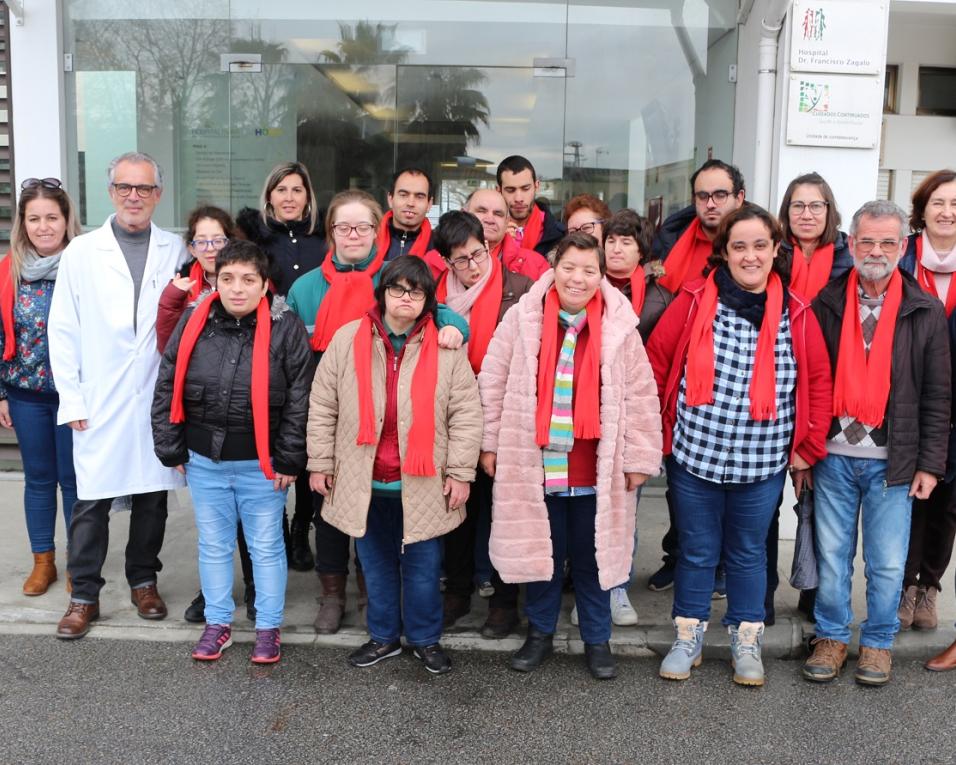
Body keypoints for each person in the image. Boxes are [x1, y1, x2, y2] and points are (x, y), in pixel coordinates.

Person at [646, 204, 832, 687]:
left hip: (763, 461)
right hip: (694, 456)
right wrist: (661, 438)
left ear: (776, 250)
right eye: (739, 246)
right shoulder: (691, 300)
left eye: (760, 245)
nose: (750, 256)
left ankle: (745, 642)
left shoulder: (797, 313)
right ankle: (687, 638)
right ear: (723, 253)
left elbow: (816, 381)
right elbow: (656, 364)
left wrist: (806, 447)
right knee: (697, 551)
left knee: (749, 553)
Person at [478, 232, 662, 680]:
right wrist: (489, 443)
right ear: (553, 268)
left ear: (601, 276)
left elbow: (641, 395)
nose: (577, 278)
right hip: (535, 461)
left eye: (589, 270)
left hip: (596, 467)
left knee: (593, 558)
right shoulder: (521, 319)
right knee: (543, 554)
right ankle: (539, 633)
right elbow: (493, 380)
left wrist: (640, 457)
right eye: (569, 267)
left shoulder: (620, 326)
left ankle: (597, 640)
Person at [287, 189, 468, 635]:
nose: (352, 235)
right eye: (343, 227)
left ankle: (402, 624)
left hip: (410, 453)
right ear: (330, 232)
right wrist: (317, 455)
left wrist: (454, 331)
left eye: (363, 227)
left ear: (377, 231)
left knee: (407, 556)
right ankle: (350, 609)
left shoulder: (393, 280)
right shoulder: (308, 289)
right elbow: (309, 381)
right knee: (343, 528)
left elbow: (442, 317)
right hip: (344, 434)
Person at [307, 256, 483, 675]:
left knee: (423, 570)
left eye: (416, 291)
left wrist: (460, 473)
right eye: (397, 289)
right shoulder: (348, 339)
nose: (406, 298)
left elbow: (466, 414)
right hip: (363, 479)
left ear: (427, 301)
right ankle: (383, 637)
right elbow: (322, 406)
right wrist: (319, 461)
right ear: (382, 292)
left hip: (422, 482)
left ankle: (425, 639)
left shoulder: (445, 345)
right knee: (376, 566)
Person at [802, 200, 950, 687]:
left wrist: (930, 463)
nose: (877, 250)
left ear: (902, 247)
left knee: (887, 561)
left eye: (888, 242)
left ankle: (879, 642)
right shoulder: (827, 303)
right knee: (833, 554)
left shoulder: (923, 310)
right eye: (867, 240)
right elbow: (807, 382)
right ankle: (831, 637)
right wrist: (803, 450)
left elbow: (936, 394)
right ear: (851, 243)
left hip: (895, 461)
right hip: (833, 456)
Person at [152, 239, 312, 664]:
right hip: (205, 460)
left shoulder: (286, 327)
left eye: (248, 279)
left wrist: (291, 457)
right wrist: (171, 447)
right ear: (214, 281)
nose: (237, 288)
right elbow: (168, 382)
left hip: (263, 464)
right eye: (227, 279)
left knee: (265, 546)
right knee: (214, 545)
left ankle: (267, 629)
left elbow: (300, 396)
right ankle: (218, 624)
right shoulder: (194, 321)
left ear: (265, 286)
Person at [48, 151, 187, 639]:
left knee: (152, 496)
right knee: (92, 500)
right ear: (110, 193)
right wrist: (73, 398)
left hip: (154, 393)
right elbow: (61, 330)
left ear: (158, 194)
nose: (134, 196)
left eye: (144, 188)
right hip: (99, 396)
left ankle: (143, 581)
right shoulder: (82, 253)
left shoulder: (176, 250)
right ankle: (83, 595)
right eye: (125, 187)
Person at [431, 210, 533, 638]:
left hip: (504, 417)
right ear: (445, 262)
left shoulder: (520, 291)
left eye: (479, 253)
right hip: (448, 419)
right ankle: (456, 591)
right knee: (456, 506)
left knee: (502, 510)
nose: (473, 266)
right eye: (461, 260)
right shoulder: (429, 294)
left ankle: (505, 602)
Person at [647, 158, 746, 593]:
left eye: (720, 195)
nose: (711, 204)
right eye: (703, 195)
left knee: (734, 492)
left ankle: (725, 568)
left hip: (738, 389)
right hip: (680, 384)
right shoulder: (671, 240)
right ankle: (679, 556)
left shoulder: (753, 244)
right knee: (680, 489)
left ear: (739, 198)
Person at [155, 205, 258, 624]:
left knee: (253, 524)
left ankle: (255, 588)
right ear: (191, 246)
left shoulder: (250, 283)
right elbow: (167, 348)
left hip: (246, 421)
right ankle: (211, 593)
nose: (211, 248)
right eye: (202, 240)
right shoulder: (185, 287)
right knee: (214, 525)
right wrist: (172, 298)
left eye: (218, 239)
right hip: (202, 417)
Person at [584, 209, 673, 627]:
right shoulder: (584, 286)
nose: (617, 248)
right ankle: (585, 584)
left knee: (625, 502)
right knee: (583, 504)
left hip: (631, 411)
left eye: (626, 242)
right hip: (586, 408)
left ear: (642, 251)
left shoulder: (659, 298)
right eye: (611, 241)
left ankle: (616, 587)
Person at [237, 162, 326, 574]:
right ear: (269, 197)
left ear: (308, 197)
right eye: (281, 190)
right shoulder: (257, 241)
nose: (289, 197)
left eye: (297, 189)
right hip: (268, 354)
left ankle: (301, 529)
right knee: (273, 445)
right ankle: (274, 526)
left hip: (316, 357)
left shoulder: (322, 241)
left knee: (308, 450)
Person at [774, 172, 853, 623]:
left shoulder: (848, 259)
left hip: (828, 389)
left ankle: (814, 596)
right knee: (767, 504)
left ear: (829, 212)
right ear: (786, 212)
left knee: (820, 503)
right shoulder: (773, 256)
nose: (806, 214)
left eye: (815, 206)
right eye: (798, 206)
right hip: (778, 387)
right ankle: (759, 593)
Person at [0, 178, 81, 595]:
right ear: (23, 223)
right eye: (34, 218)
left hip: (73, 398)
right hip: (25, 394)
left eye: (52, 217)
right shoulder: (8, 269)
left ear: (67, 220)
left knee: (72, 479)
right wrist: (1, 392)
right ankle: (43, 561)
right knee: (38, 478)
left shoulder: (83, 266)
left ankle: (76, 565)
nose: (44, 226)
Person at [896, 170, 956, 632]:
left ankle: (930, 587)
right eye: (939, 201)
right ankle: (904, 585)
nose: (947, 211)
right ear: (922, 208)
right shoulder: (901, 259)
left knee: (947, 503)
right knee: (907, 496)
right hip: (909, 398)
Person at [496, 155, 565, 256]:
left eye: (525, 188)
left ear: (536, 186)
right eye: (510, 190)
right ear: (499, 190)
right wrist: (495, 243)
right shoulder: (486, 233)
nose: (518, 198)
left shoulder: (560, 235)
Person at [378, 167, 434, 261]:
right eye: (403, 195)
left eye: (419, 197)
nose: (410, 203)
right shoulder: (368, 239)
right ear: (390, 199)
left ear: (429, 204)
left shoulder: (441, 247)